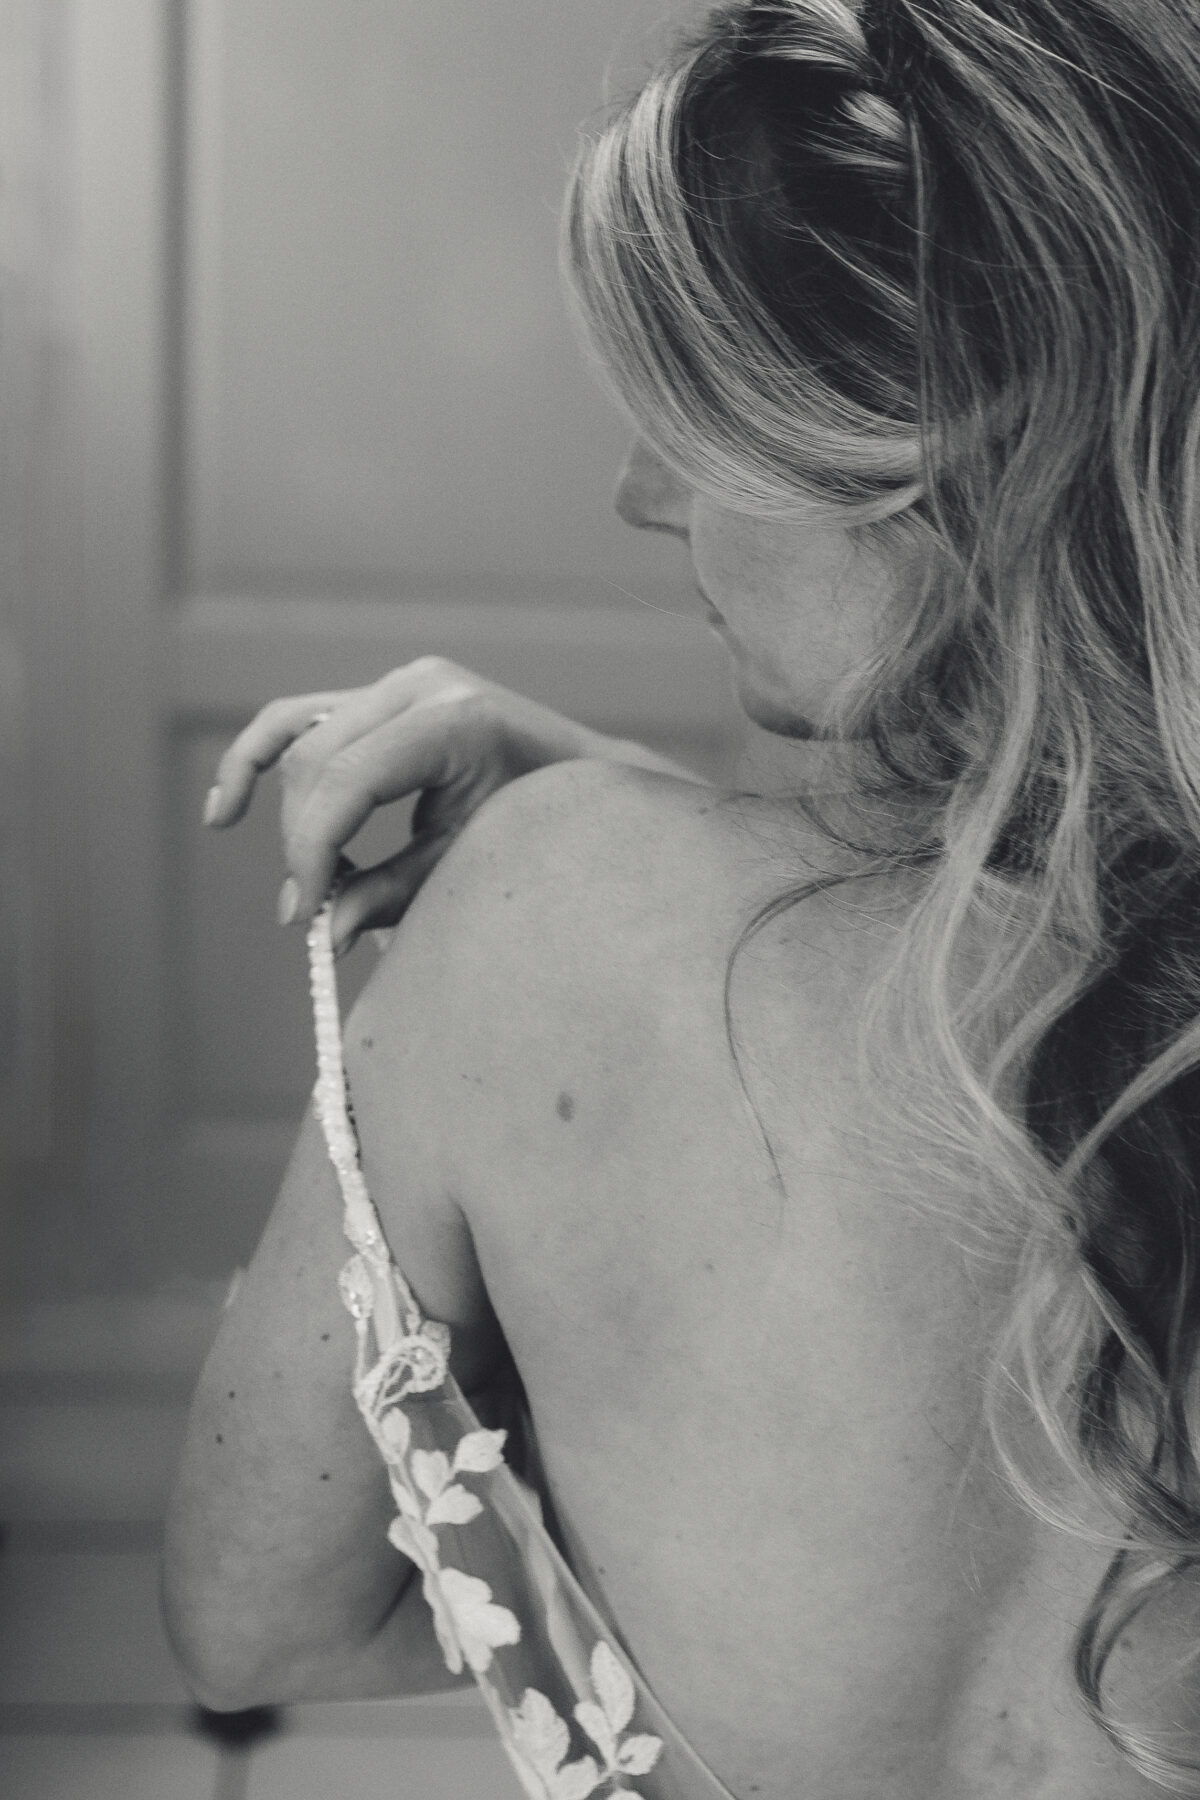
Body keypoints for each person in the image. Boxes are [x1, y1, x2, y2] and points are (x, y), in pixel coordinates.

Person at [162, 2, 1200, 1794]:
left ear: (908, 461)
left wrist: (579, 854)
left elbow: (259, 1620)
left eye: (696, 425)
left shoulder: (548, 926)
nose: (640, 497)